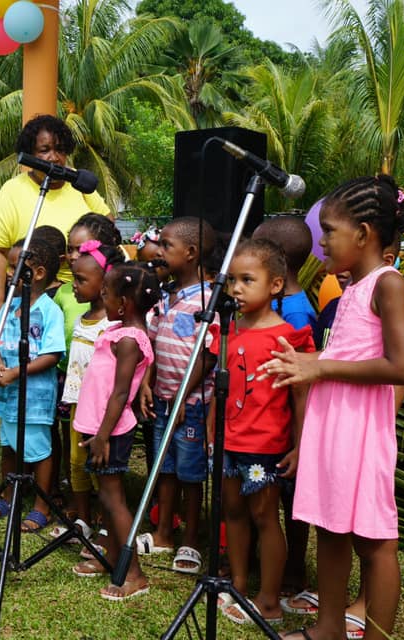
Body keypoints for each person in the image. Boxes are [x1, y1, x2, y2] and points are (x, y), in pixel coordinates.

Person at [261, 175, 404, 640]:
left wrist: (321, 366)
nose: (321, 241)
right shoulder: (350, 286)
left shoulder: (387, 284)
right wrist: (310, 365)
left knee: (375, 544)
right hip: (334, 427)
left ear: (365, 234)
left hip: (362, 430)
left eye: (329, 230)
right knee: (330, 528)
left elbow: (402, 366)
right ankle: (328, 627)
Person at [208, 238, 314, 625]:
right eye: (232, 280)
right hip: (228, 442)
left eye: (247, 279)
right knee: (233, 512)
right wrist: (210, 430)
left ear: (275, 285)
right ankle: (236, 585)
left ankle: (268, 600)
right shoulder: (228, 331)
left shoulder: (287, 337)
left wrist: (300, 446)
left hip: (265, 446)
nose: (236, 288)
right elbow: (220, 388)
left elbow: (300, 395)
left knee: (265, 516)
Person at [71, 262, 159, 602]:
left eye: (106, 294)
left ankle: (133, 572)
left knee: (114, 499)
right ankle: (111, 555)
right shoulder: (118, 331)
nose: (102, 299)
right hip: (96, 427)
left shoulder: (130, 340)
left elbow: (122, 393)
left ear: (124, 303)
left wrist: (104, 436)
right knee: (105, 497)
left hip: (110, 432)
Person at [136, 217, 218, 574]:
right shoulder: (164, 295)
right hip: (163, 399)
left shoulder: (208, 299)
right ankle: (164, 531)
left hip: (192, 405)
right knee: (163, 467)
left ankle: (191, 539)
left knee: (190, 473)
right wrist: (145, 383)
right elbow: (153, 344)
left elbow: (209, 354)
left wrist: (184, 396)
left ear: (191, 252)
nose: (159, 250)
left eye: (167, 245)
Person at [0, 115, 112, 326]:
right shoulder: (13, 190)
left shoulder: (77, 181)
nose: (54, 158)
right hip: (31, 291)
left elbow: (107, 225)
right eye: (44, 151)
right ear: (30, 155)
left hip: (81, 291)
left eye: (60, 150)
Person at [251, 215, 318, 599]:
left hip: (287, 429)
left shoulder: (293, 314)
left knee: (292, 503)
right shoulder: (280, 305)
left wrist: (299, 439)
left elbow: (300, 387)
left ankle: (294, 570)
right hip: (269, 426)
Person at [0, 234, 65, 532]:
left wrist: (16, 372)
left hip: (35, 397)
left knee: (39, 450)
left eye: (15, 267)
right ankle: (8, 497)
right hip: (8, 396)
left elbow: (53, 354)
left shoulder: (48, 311)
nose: (7, 274)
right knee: (8, 446)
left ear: (38, 273)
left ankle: (42, 506)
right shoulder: (8, 306)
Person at [55, 241, 124, 543]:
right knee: (75, 464)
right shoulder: (82, 319)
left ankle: (108, 526)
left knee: (101, 469)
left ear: (106, 282)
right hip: (76, 408)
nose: (74, 286)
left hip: (101, 413)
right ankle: (82, 519)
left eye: (81, 280)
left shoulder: (115, 325)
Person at [252, 216, 318, 332]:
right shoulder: (270, 298)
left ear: (279, 256)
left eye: (255, 251)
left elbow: (299, 349)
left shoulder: (296, 313)